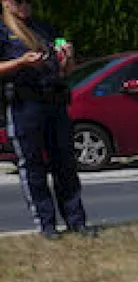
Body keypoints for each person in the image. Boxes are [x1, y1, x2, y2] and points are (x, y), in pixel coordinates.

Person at [0, 0, 94, 238]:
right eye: (18, 1)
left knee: (65, 163)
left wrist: (67, 59)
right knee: (32, 166)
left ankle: (76, 220)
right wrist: (20, 63)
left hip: (53, 101)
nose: (24, 5)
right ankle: (46, 224)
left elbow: (66, 70)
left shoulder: (44, 29)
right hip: (24, 103)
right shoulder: (3, 30)